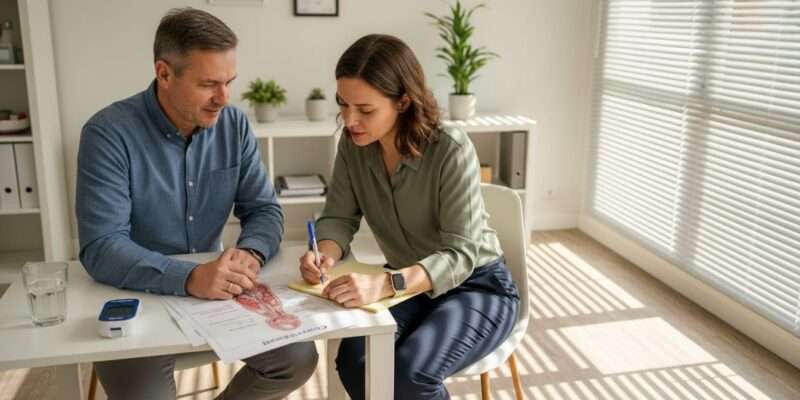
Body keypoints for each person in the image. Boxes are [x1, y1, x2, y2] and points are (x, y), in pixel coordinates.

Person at [76, 8, 316, 400]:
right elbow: (101, 246)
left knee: (298, 357)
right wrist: (188, 278)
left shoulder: (233, 125)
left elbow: (264, 209)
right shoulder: (107, 134)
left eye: (229, 82)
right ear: (164, 73)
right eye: (209, 84)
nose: (223, 98)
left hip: (219, 297)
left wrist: (251, 254)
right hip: (137, 296)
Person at [298, 34, 520, 400]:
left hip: (476, 287)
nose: (350, 120)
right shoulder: (354, 147)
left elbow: (461, 254)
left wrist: (386, 285)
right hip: (409, 287)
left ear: (403, 101)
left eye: (365, 110)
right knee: (355, 360)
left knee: (410, 374)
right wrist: (325, 253)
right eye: (343, 104)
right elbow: (338, 216)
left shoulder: (450, 148)